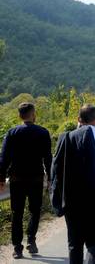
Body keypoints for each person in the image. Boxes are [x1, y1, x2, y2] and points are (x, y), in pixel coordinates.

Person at [51, 105, 95, 264]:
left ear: (78, 119)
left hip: (73, 196)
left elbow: (56, 169)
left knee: (75, 242)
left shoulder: (67, 139)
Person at [0, 103, 52, 259]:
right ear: (33, 114)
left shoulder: (12, 133)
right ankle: (31, 240)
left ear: (19, 115)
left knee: (17, 213)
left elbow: (4, 159)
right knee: (35, 211)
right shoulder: (42, 132)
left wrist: (1, 178)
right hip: (36, 179)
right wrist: (50, 177)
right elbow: (48, 158)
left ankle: (17, 248)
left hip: (17, 180)